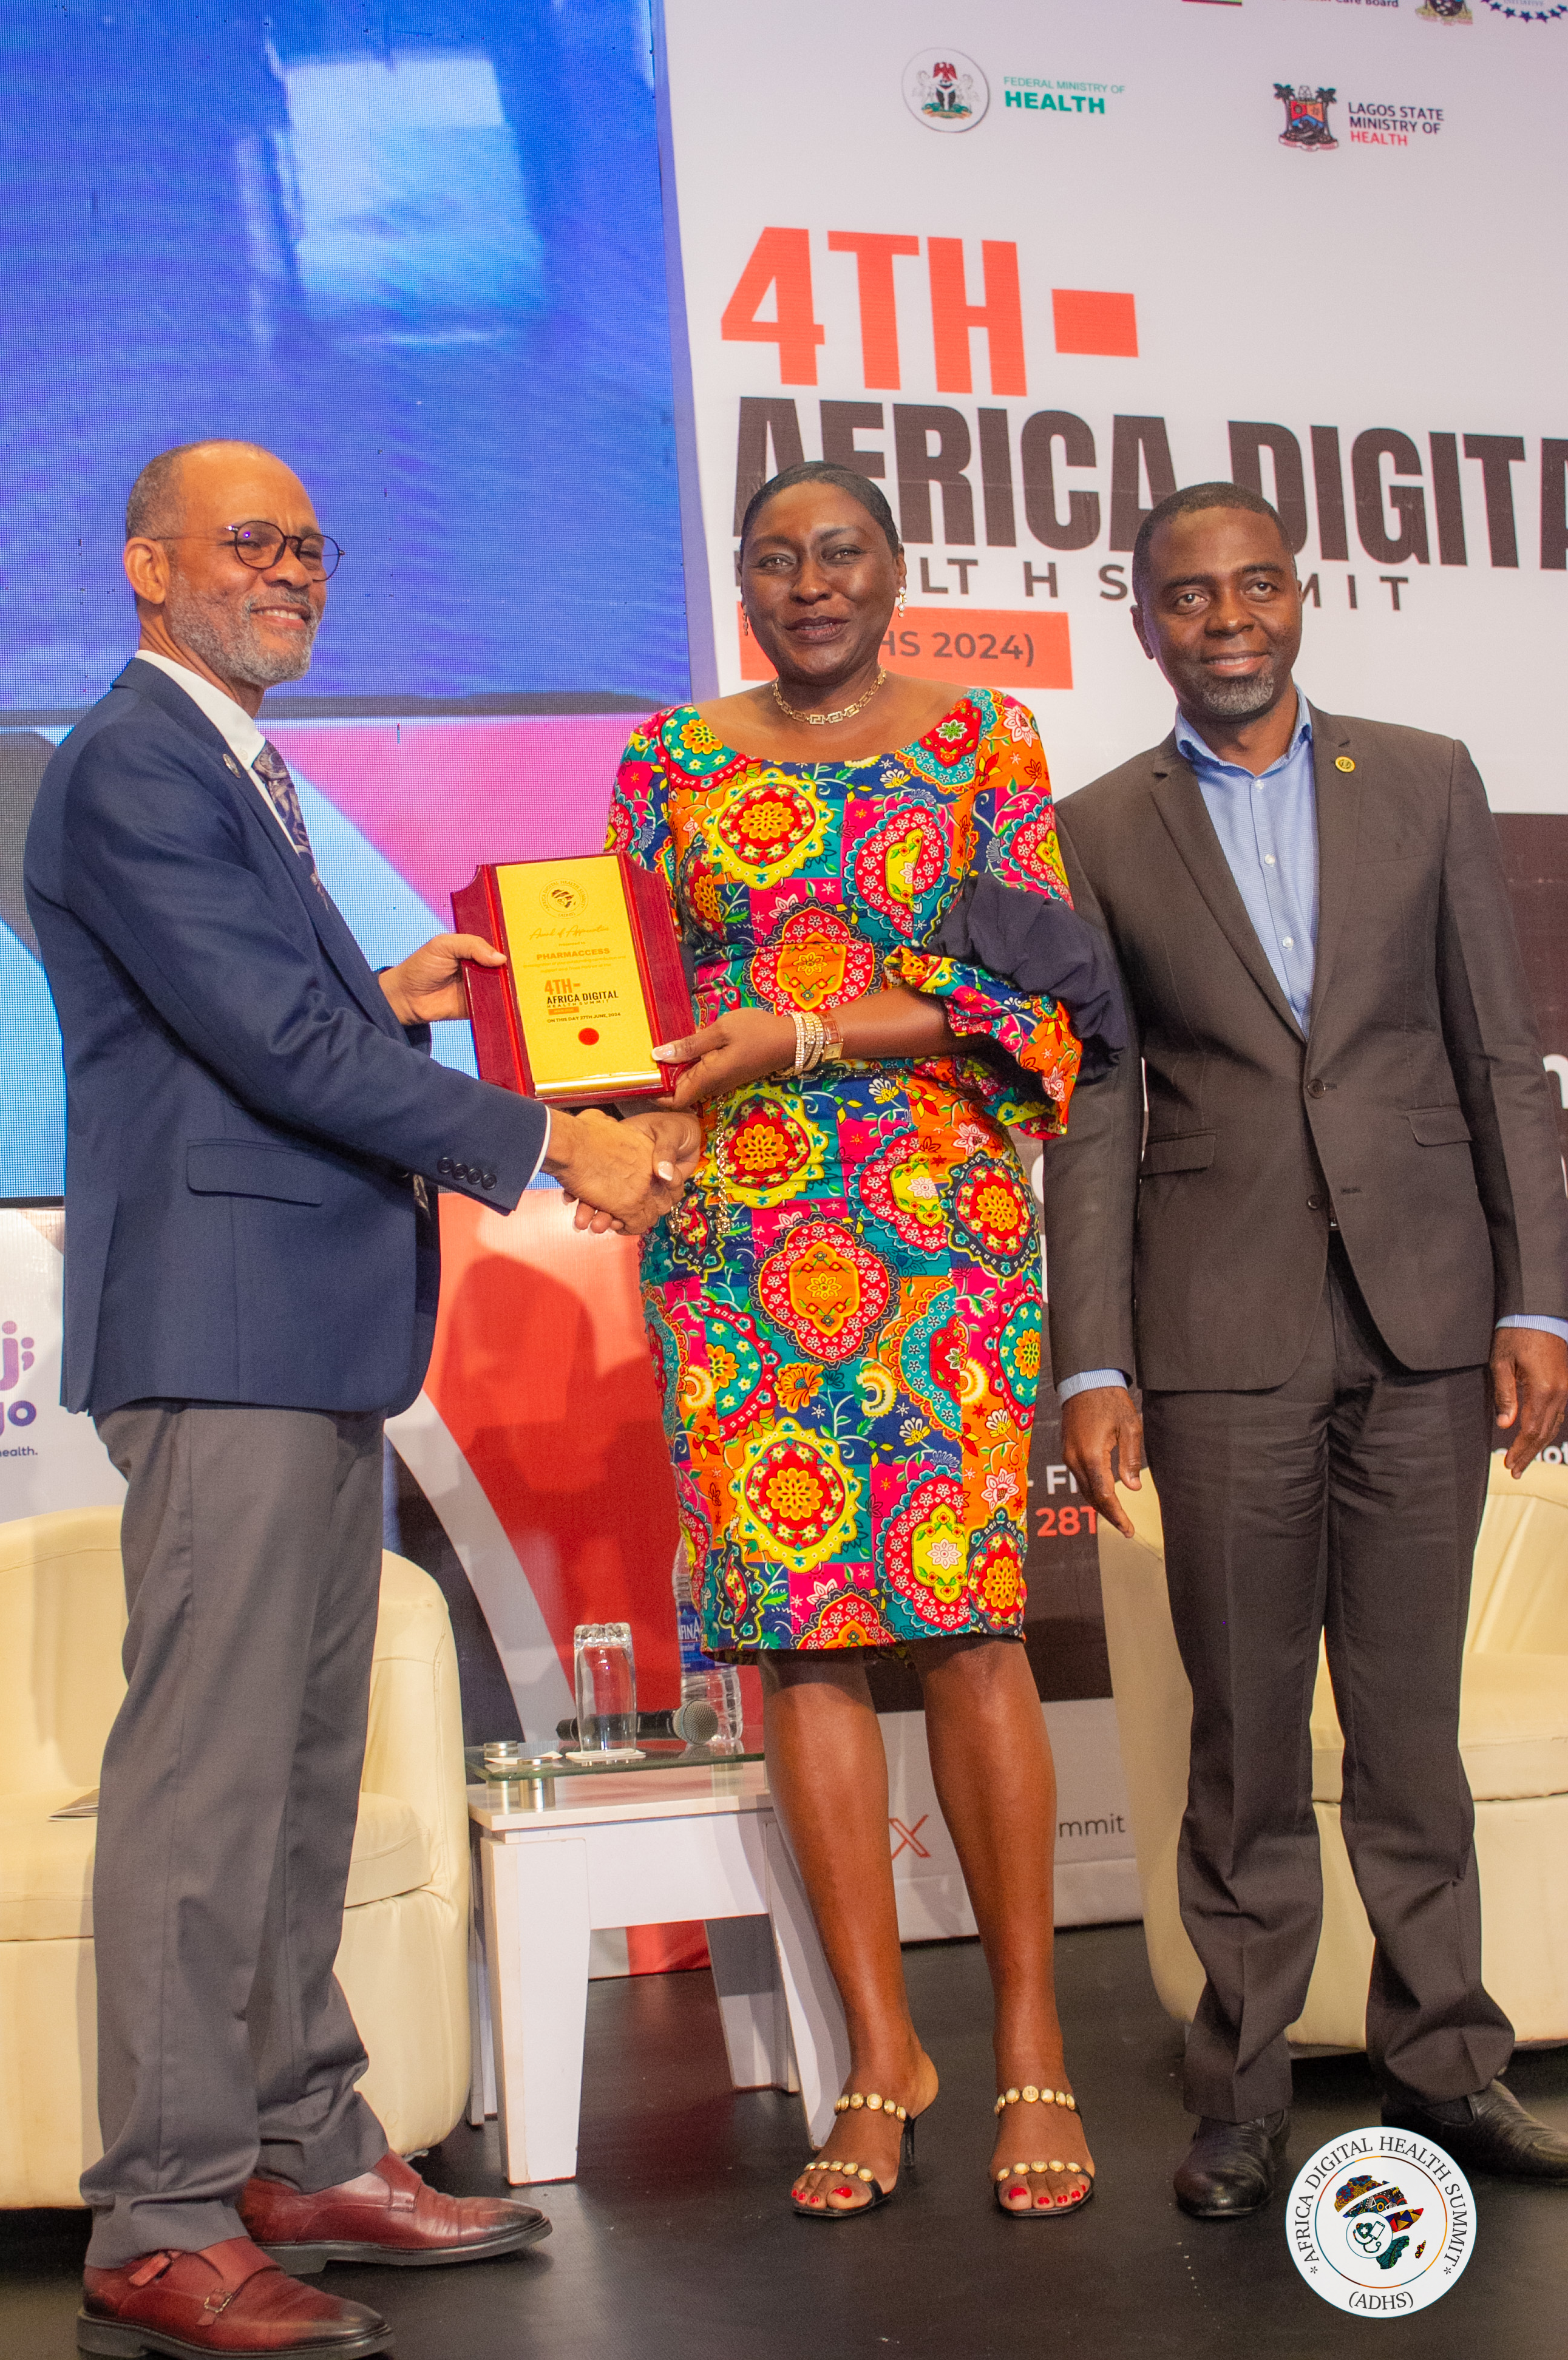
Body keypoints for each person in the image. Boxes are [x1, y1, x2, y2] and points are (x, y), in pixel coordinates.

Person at [25, 440, 687, 2360]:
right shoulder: (135, 760)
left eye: (312, 546)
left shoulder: (237, 764)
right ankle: (161, 2211)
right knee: (207, 1781)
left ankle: (303, 2143)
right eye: (253, 541)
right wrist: (549, 1136)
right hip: (223, 1329)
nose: (294, 571)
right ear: (150, 568)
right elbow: (267, 1042)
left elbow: (268, 1019)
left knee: (303, 1767)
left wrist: (393, 994)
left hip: (306, 1326)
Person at [1042, 480, 1568, 2219]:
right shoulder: (1095, 828)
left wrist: (1537, 1302)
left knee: (1410, 1729)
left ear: (1299, 594)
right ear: (1145, 625)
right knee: (1248, 1738)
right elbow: (1098, 1110)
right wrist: (1094, 1361)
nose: (1229, 620)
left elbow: (1501, 1058)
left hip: (1427, 1320)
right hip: (1216, 1333)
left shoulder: (1423, 777)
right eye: (1190, 596)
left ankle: (1450, 2068)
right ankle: (1243, 2094)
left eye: (1255, 585)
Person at [607, 460, 1126, 2220]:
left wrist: (808, 1038)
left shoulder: (983, 742)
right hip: (741, 1241)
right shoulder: (667, 762)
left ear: (898, 573)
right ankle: (880, 2057)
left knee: (972, 1629)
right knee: (801, 1648)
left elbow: (1030, 996)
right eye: (777, 559)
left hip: (939, 1224)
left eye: (842, 554)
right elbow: (631, 1000)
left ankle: (1033, 2048)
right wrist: (626, 1115)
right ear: (739, 583)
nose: (811, 583)